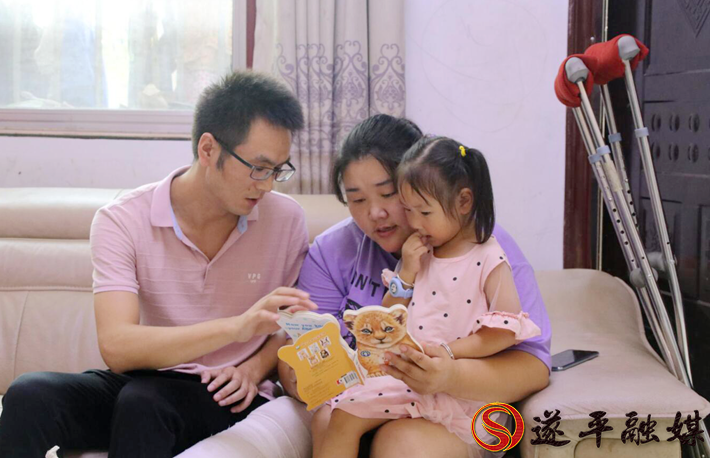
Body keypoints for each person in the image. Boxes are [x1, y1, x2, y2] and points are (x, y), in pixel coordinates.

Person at [179, 114, 551, 458]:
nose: (375, 213)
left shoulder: (481, 247)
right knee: (332, 418)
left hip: (459, 407)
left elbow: (532, 365)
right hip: (374, 398)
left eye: (389, 194)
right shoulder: (332, 251)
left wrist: (448, 373)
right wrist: (302, 375)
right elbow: (304, 350)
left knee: (400, 442)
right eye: (357, 199)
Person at [0, 71, 318, 458]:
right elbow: (118, 347)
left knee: (144, 404)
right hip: (144, 379)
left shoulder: (285, 220)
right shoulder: (122, 220)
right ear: (208, 149)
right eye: (258, 167)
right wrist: (236, 328)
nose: (267, 185)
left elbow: (290, 325)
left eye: (278, 170)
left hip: (226, 391)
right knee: (29, 395)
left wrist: (251, 371)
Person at [314, 135, 542, 458]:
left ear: (464, 202)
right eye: (409, 210)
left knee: (371, 428)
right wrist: (406, 272)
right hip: (410, 379)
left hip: (459, 394)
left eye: (423, 211)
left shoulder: (489, 256)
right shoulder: (420, 252)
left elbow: (504, 331)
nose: (414, 223)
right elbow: (388, 317)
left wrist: (448, 354)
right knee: (340, 414)